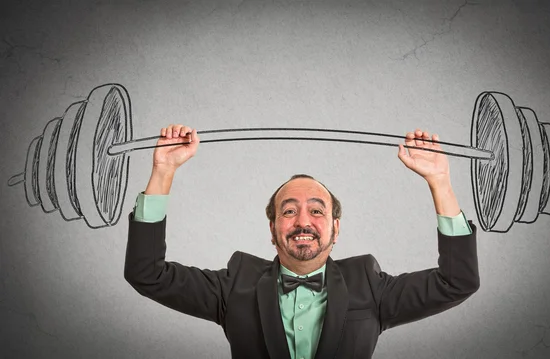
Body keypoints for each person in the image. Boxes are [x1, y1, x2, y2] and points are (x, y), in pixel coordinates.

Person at [124, 124, 479, 359]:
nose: (303, 221)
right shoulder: (235, 284)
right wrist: (163, 171)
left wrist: (440, 182)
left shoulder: (369, 285)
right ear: (273, 228)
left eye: (317, 211)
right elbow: (147, 273)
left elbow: (457, 282)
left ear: (336, 229)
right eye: (289, 211)